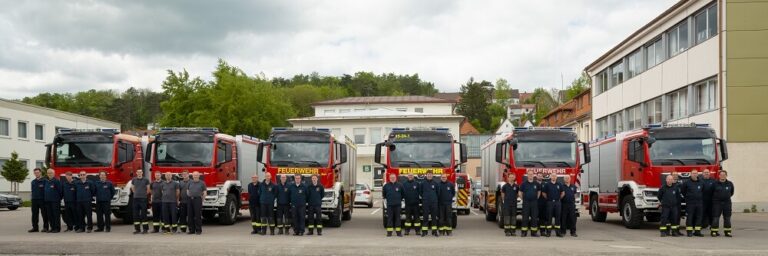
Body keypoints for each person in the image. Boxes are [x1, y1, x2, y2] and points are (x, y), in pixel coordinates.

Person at [681, 170, 704, 237]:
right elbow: (683, 191)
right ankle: (689, 232)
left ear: (697, 174)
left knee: (699, 217)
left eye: (696, 173)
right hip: (690, 203)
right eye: (693, 173)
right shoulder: (686, 183)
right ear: (691, 174)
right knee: (689, 217)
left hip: (699, 203)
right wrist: (688, 197)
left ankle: (697, 231)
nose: (694, 174)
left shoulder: (701, 182)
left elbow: (703, 191)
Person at [711, 170, 734, 237]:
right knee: (716, 218)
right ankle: (714, 231)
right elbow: (711, 193)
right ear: (719, 176)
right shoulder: (715, 184)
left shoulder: (730, 184)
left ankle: (727, 232)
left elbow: (732, 192)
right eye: (721, 175)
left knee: (727, 218)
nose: (722, 176)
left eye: (724, 175)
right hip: (717, 203)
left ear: (726, 176)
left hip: (727, 203)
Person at [519, 170, 540, 237]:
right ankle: (524, 232)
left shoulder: (536, 183)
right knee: (525, 217)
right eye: (529, 174)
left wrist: (536, 198)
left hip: (534, 202)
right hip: (526, 202)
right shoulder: (523, 184)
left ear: (533, 175)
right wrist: (523, 199)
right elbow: (520, 192)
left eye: (531, 174)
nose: (530, 175)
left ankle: (534, 232)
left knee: (534, 217)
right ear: (527, 175)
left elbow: (539, 192)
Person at [131, 169, 151, 234]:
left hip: (143, 199)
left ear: (142, 173)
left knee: (143, 214)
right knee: (135, 215)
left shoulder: (146, 180)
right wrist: (136, 193)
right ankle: (137, 229)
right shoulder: (134, 180)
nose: (139, 173)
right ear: (136, 173)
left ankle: (145, 229)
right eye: (138, 172)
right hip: (135, 199)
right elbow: (132, 188)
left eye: (140, 172)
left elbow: (148, 189)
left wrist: (144, 195)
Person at [29, 168, 49, 233]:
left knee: (44, 214)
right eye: (35, 173)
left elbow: (47, 191)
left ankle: (45, 227)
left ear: (40, 173)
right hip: (34, 200)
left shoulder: (45, 181)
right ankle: (35, 228)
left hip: (42, 200)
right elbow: (32, 191)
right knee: (34, 214)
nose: (36, 174)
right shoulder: (33, 182)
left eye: (37, 172)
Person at [420, 171, 440, 237]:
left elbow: (438, 193)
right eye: (428, 175)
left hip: (433, 203)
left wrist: (434, 198)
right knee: (425, 217)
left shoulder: (435, 183)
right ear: (426, 175)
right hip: (425, 202)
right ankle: (424, 232)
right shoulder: (422, 183)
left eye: (430, 175)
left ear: (432, 175)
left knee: (434, 217)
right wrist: (425, 198)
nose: (429, 176)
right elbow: (420, 192)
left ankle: (434, 231)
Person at [44, 169, 63, 233]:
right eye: (48, 173)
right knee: (50, 215)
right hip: (47, 201)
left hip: (55, 201)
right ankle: (52, 228)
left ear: (54, 174)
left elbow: (60, 191)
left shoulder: (56, 181)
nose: (49, 174)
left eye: (51, 173)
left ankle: (57, 228)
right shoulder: (46, 181)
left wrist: (58, 199)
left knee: (56, 215)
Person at [670, 171, 683, 236]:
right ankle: (671, 231)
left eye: (676, 175)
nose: (675, 176)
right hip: (671, 204)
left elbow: (683, 192)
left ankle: (677, 230)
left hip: (678, 203)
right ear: (671, 176)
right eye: (674, 175)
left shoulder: (680, 184)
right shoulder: (669, 184)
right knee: (671, 217)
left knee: (678, 217)